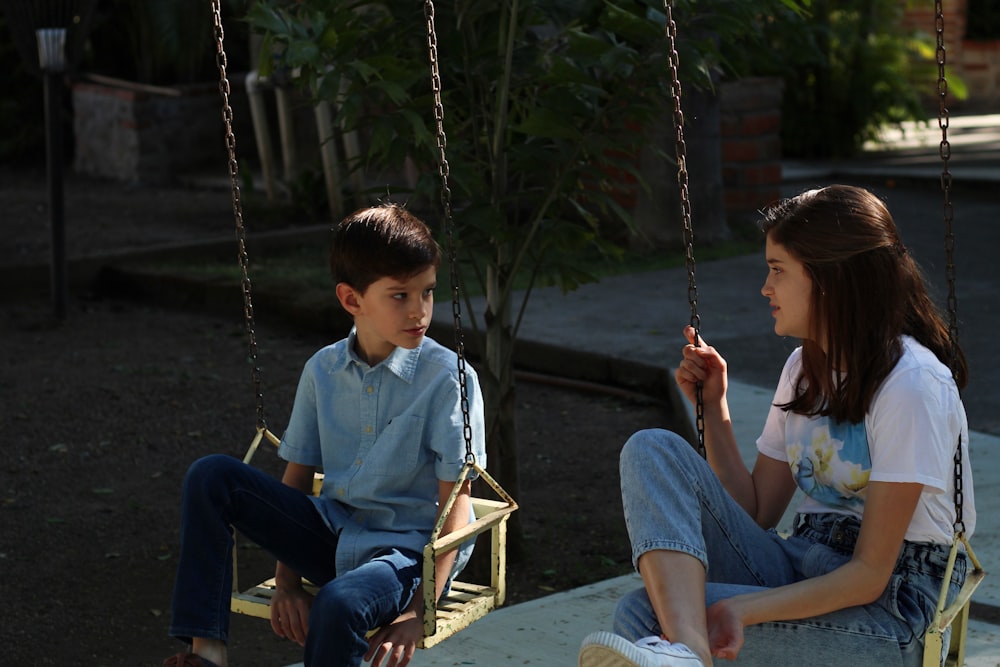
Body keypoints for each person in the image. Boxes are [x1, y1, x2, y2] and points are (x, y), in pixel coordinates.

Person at [579, 185, 975, 667]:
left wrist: (741, 608)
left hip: (894, 607)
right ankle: (688, 653)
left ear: (832, 279)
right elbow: (757, 512)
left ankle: (684, 651)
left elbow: (869, 574)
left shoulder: (911, 384)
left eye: (777, 270)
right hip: (802, 564)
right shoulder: (803, 368)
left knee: (645, 617)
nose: (766, 288)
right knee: (652, 449)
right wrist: (714, 410)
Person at [162, 203, 486, 667]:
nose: (420, 311)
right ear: (352, 300)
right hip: (332, 533)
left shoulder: (446, 378)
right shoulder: (323, 370)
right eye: (400, 296)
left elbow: (455, 504)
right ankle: (207, 654)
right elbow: (295, 480)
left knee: (338, 603)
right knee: (212, 475)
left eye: (428, 292)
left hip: (407, 558)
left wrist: (420, 613)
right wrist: (287, 584)